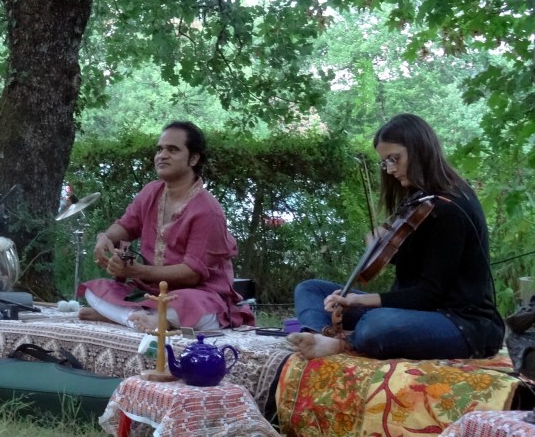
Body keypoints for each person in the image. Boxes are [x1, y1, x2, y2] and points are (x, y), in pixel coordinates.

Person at [288, 113, 505, 360]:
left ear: (420, 150)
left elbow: (428, 294)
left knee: (376, 325)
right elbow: (418, 263)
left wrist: (359, 301)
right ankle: (319, 335)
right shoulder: (420, 200)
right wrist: (384, 248)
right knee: (311, 289)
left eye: (395, 159)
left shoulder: (450, 209)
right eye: (385, 162)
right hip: (413, 312)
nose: (390, 169)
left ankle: (343, 343)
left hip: (460, 322)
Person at [77, 121, 255, 333]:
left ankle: (128, 317)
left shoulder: (208, 210)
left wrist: (137, 270)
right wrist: (104, 238)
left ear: (194, 158)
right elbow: (125, 226)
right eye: (159, 149)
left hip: (197, 294)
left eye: (173, 150)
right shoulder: (151, 192)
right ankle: (142, 319)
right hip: (151, 293)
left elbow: (192, 274)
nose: (162, 155)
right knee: (94, 290)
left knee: (191, 305)